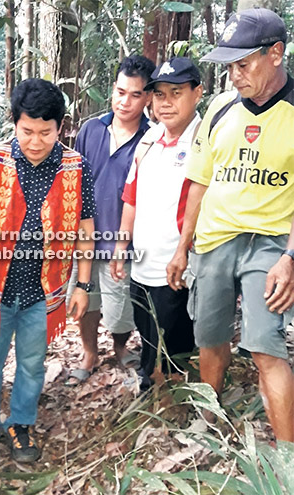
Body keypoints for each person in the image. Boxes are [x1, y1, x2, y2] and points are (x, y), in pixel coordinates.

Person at [0, 78, 96, 462]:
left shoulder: (77, 167)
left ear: (60, 127)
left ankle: (21, 423)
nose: (35, 141)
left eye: (45, 132)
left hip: (44, 289)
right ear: (14, 123)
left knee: (32, 364)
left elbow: (85, 229)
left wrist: (82, 285)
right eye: (27, 131)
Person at [166, 8, 294, 442]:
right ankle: (209, 423)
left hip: (271, 244)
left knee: (265, 348)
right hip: (215, 241)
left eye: (244, 64)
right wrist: (183, 247)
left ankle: (286, 459)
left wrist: (290, 259)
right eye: (230, 66)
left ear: (276, 54)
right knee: (211, 338)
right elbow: (200, 184)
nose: (235, 75)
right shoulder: (220, 108)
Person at [111, 57, 202, 390]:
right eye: (159, 94)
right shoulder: (147, 142)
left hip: (179, 267)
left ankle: (172, 401)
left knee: (175, 342)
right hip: (142, 263)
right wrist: (121, 246)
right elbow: (131, 198)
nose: (166, 102)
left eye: (176, 93)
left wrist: (184, 251)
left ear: (197, 93)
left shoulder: (205, 143)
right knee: (147, 331)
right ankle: (151, 384)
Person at [66, 55, 155, 386]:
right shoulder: (91, 129)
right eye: (120, 92)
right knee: (85, 300)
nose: (125, 101)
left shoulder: (152, 137)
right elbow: (73, 181)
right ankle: (89, 353)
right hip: (85, 238)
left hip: (125, 243)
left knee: (120, 310)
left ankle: (119, 347)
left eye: (135, 94)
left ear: (147, 97)